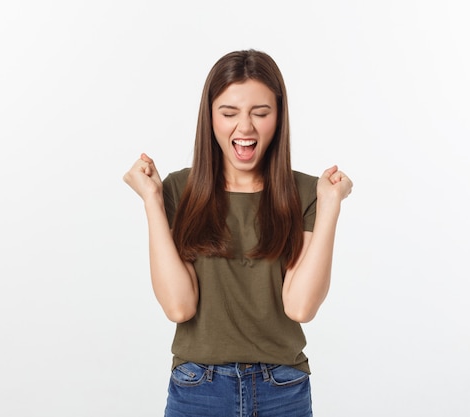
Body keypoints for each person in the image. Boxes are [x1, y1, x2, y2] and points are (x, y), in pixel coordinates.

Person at [123, 49, 352, 417]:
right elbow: (179, 306)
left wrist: (330, 207)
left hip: (283, 389)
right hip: (198, 387)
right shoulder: (179, 191)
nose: (244, 128)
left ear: (279, 116)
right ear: (210, 117)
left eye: (260, 113)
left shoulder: (308, 193)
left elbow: (300, 306)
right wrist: (152, 200)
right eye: (229, 113)